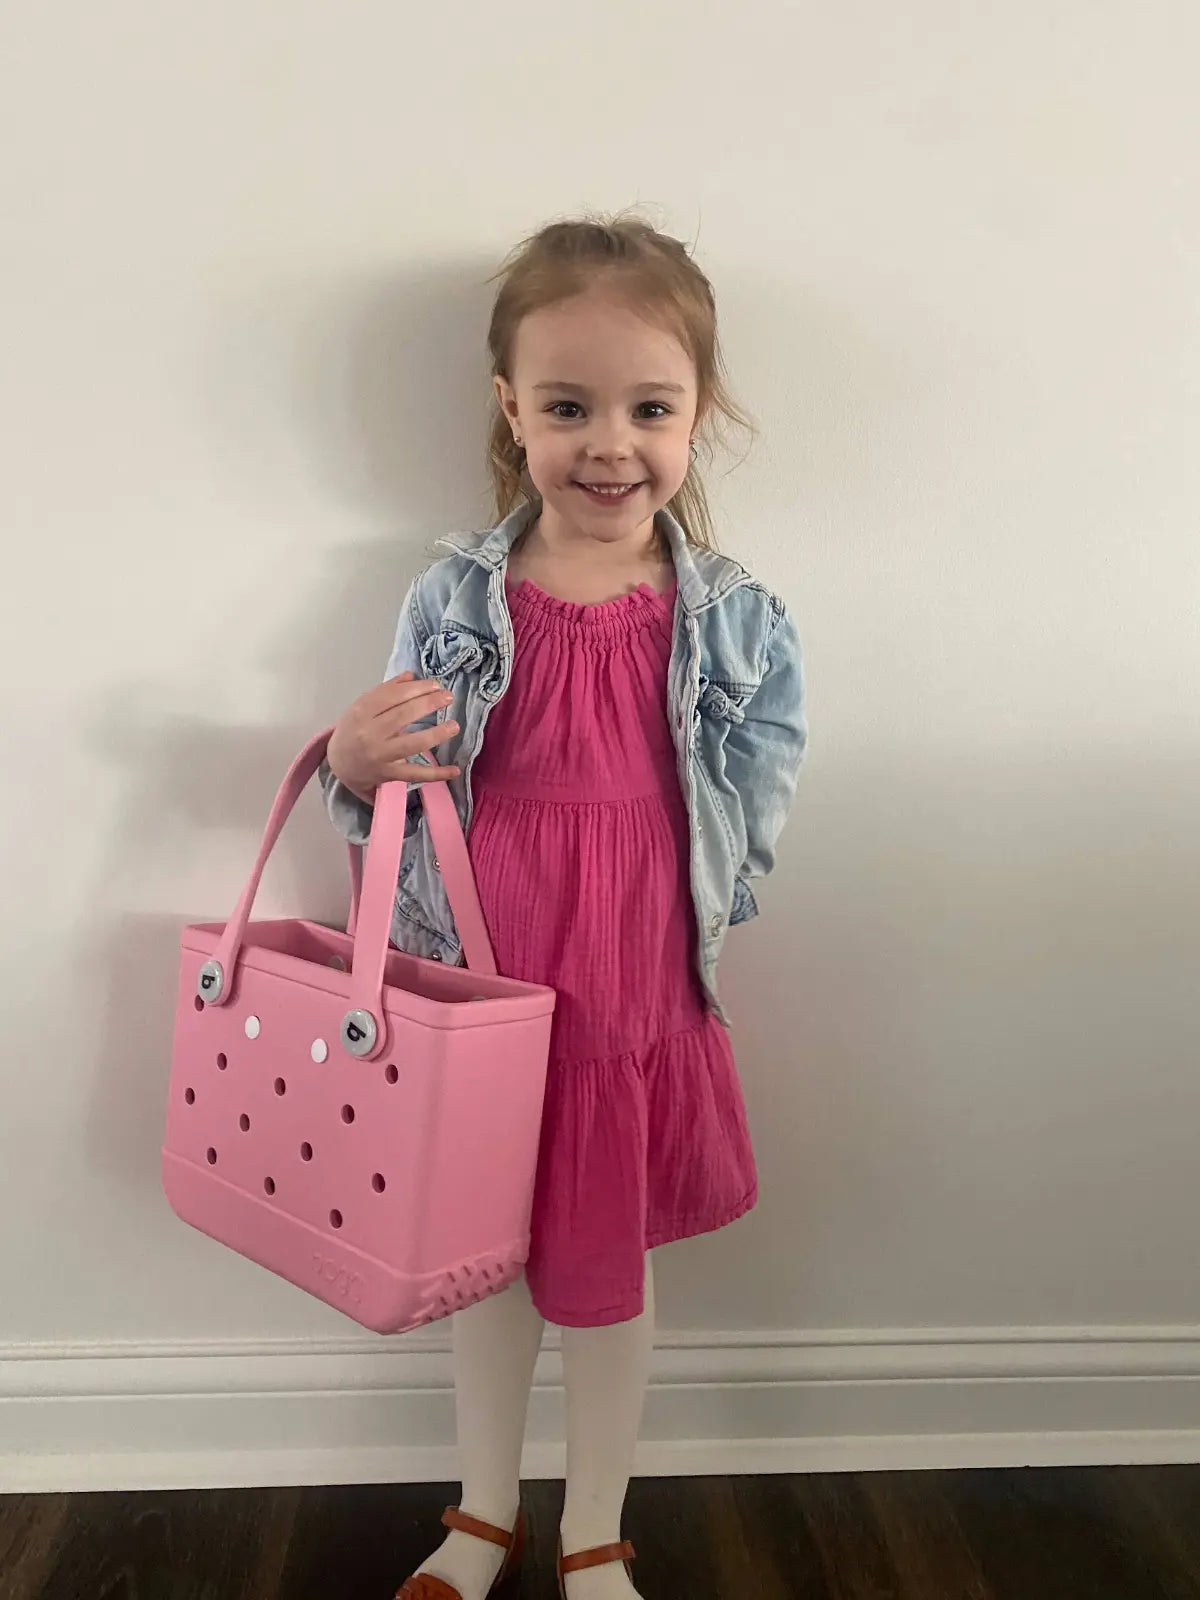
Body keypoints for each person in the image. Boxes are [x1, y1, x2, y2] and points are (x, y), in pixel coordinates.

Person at [323, 215, 807, 1600]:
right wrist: (357, 765)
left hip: (633, 971)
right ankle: (484, 1510)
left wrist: (707, 903)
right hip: (486, 969)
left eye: (650, 407)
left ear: (697, 414)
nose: (611, 443)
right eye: (569, 406)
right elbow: (398, 784)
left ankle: (594, 1518)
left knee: (605, 1265)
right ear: (510, 412)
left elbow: (762, 775)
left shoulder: (734, 617)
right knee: (484, 1259)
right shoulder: (457, 596)